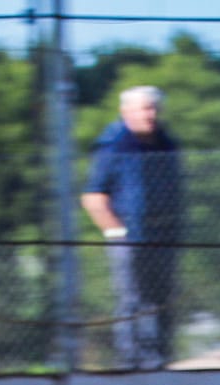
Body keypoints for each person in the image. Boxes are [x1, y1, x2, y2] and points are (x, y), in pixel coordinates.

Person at [81, 86, 184, 369]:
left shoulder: (166, 144)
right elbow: (93, 197)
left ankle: (159, 358)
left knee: (162, 300)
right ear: (126, 112)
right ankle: (132, 360)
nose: (150, 115)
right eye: (143, 108)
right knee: (133, 300)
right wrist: (116, 233)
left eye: (153, 108)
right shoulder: (114, 146)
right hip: (130, 236)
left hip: (164, 235)